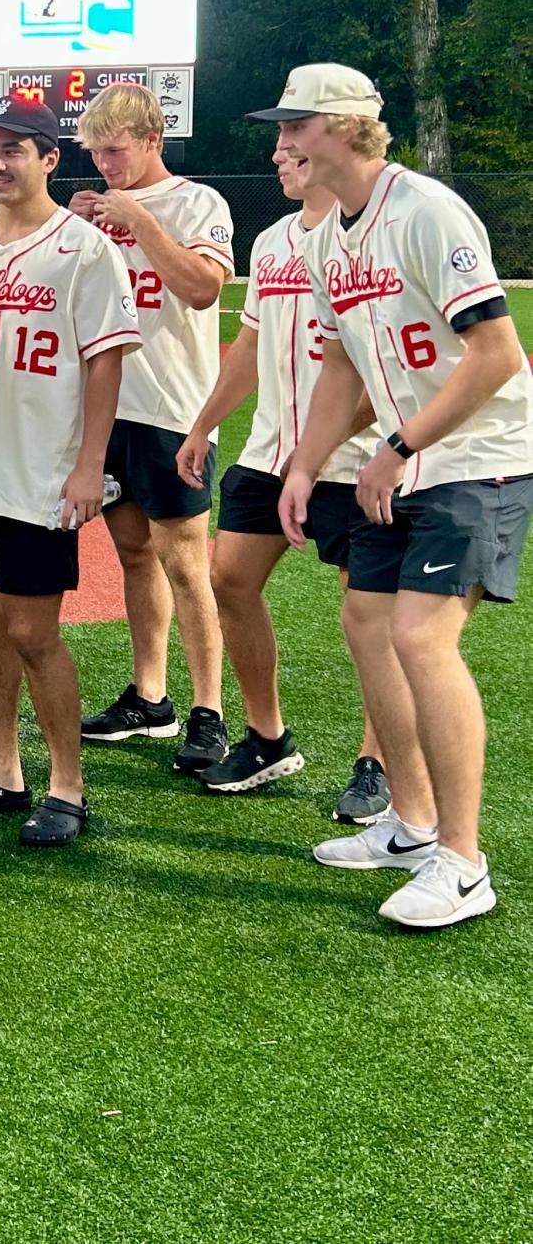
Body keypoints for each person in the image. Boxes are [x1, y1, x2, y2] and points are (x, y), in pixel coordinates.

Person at [265, 64, 533, 929]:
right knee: (366, 621)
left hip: (477, 454)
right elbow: (342, 365)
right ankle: (413, 826)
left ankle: (464, 861)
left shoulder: (426, 209)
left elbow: (496, 354)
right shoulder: (320, 240)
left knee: (421, 635)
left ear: (343, 126)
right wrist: (304, 467)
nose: (283, 142)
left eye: (296, 125)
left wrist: (399, 444)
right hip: (403, 459)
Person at [0, 96, 140, 846]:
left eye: (17, 149)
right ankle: (2, 767)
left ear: (50, 159)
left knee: (33, 630)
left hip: (39, 471)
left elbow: (105, 359)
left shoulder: (83, 247)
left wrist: (90, 467)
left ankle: (67, 786)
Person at [175, 135, 389, 811]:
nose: (277, 156)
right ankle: (268, 736)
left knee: (370, 612)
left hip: (360, 457)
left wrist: (321, 449)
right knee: (229, 577)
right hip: (271, 452)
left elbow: (390, 366)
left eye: (291, 145)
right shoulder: (271, 242)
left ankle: (376, 761)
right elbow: (251, 344)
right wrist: (204, 422)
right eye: (276, 146)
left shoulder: (377, 236)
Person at [70, 83, 236, 776]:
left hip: (174, 409)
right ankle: (150, 693)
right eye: (96, 153)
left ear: (149, 140)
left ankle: (209, 711)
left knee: (186, 561)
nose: (105, 164)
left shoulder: (196, 202)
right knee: (134, 553)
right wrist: (68, 227)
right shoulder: (99, 205)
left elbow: (203, 288)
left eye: (115, 150)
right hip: (110, 409)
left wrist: (138, 220)